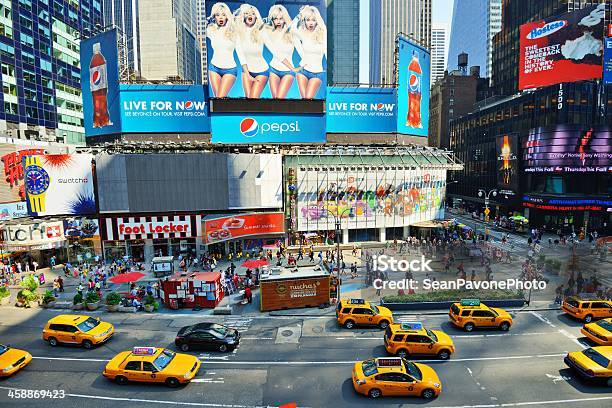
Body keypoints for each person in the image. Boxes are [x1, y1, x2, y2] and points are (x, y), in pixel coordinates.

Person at [291, 6, 327, 99]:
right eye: (308, 20)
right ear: (304, 21)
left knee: (307, 99)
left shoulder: (323, 33)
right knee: (304, 102)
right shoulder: (303, 33)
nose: (311, 23)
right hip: (303, 71)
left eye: (313, 20)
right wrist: (300, 14)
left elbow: (327, 53)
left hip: (317, 73)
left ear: (317, 21)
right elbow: (291, 28)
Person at [262, 4, 297, 98]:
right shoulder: (269, 32)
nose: (278, 21)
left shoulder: (292, 32)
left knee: (280, 99)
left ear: (285, 18)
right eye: (275, 18)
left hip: (289, 71)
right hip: (273, 69)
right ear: (272, 19)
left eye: (281, 18)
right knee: (275, 101)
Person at [235, 4, 269, 98]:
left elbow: (272, 47)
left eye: (253, 13)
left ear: (256, 17)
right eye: (247, 13)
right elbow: (240, 53)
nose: (250, 15)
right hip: (246, 71)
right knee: (248, 100)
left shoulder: (261, 31)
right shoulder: (238, 32)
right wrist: (247, 73)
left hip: (262, 70)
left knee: (253, 98)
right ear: (243, 16)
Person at [207, 2, 238, 97]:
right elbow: (198, 33)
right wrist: (207, 20)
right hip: (214, 68)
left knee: (220, 97)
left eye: (223, 15)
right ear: (214, 17)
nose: (220, 17)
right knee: (217, 100)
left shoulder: (234, 30)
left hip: (230, 69)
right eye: (217, 15)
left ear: (227, 16)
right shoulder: (211, 30)